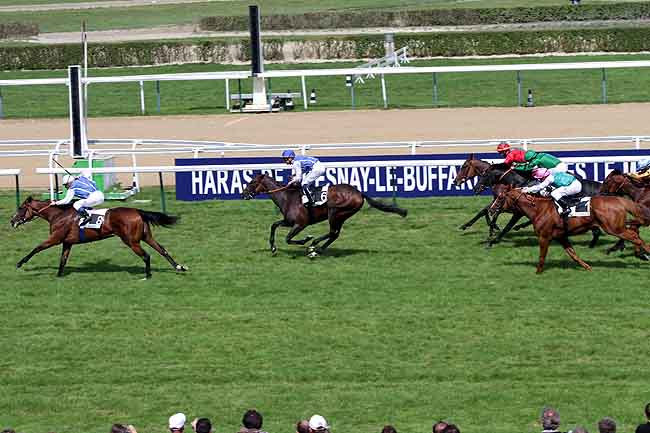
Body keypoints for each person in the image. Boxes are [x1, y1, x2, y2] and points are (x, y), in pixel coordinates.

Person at [496, 142, 567, 174]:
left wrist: (514, 168)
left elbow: (505, 165)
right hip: (560, 166)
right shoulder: (539, 155)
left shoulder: (535, 160)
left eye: (501, 152)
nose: (501, 154)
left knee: (542, 176)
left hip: (559, 169)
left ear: (505, 151)